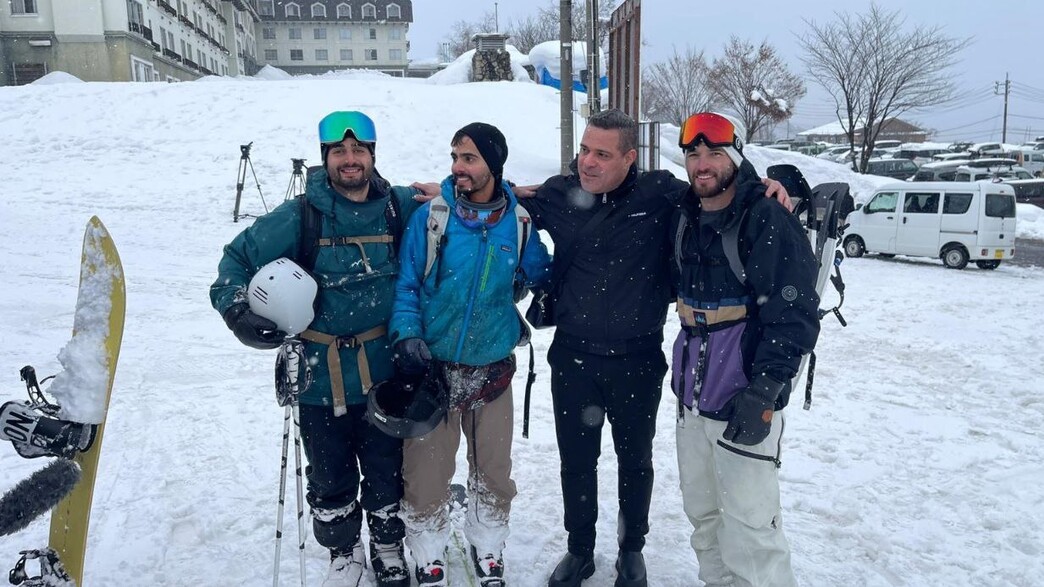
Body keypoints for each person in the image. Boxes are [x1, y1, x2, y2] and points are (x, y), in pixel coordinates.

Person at [514, 108, 789, 587]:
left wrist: (770, 183)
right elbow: (504, 200)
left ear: (630, 157)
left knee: (634, 462)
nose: (588, 163)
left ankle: (631, 549)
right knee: (576, 462)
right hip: (573, 357)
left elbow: (719, 188)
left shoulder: (661, 194)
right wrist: (453, 191)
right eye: (584, 150)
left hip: (637, 360)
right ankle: (579, 550)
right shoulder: (560, 194)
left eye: (602, 154)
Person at [210, 111, 422, 587]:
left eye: (358, 151)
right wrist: (237, 310)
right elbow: (235, 261)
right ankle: (343, 553)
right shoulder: (300, 215)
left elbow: (456, 197)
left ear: (372, 156)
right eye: (339, 152)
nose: (350, 160)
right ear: (326, 158)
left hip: (383, 372)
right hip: (316, 374)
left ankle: (387, 545)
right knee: (328, 475)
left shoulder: (396, 207)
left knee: (388, 468)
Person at [389, 122, 552, 587]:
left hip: (493, 368)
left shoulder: (518, 223)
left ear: (493, 166)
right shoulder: (433, 218)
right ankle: (427, 550)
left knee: (494, 473)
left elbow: (540, 272)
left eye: (469, 158)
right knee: (426, 474)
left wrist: (546, 293)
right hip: (435, 369)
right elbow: (407, 285)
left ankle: (489, 546)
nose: (458, 167)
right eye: (455, 157)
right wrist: (406, 335)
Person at [668, 111, 821, 587]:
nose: (702, 164)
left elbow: (792, 313)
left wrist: (766, 391)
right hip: (692, 401)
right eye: (693, 154)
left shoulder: (765, 217)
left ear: (736, 155)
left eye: (714, 153)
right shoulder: (686, 213)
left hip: (744, 396)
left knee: (752, 527)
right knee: (704, 516)